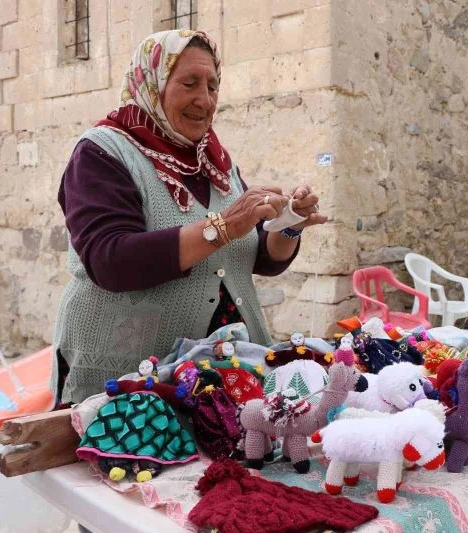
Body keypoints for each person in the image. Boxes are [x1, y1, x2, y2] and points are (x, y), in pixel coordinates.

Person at [51, 30, 326, 405]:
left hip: (220, 379)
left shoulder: (213, 160)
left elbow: (252, 255)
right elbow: (110, 260)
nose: (205, 99)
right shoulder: (102, 153)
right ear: (153, 84)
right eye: (190, 83)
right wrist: (223, 227)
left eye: (213, 86)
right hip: (128, 379)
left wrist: (288, 225)